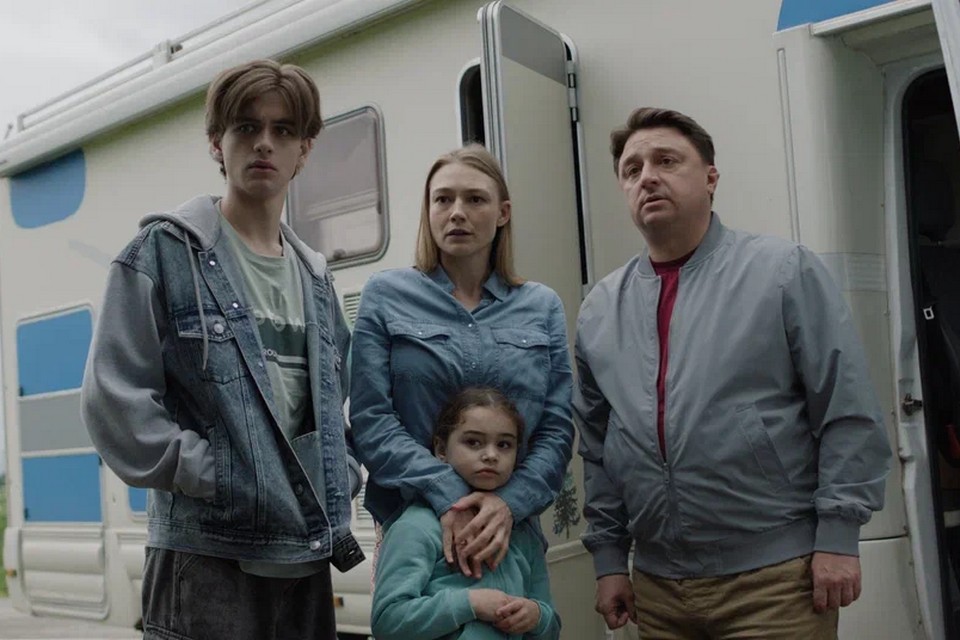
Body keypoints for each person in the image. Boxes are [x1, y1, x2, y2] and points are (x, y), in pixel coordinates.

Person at [573, 107, 892, 639]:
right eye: (632, 169)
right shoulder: (599, 309)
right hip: (657, 588)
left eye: (667, 161)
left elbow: (847, 408)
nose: (647, 177)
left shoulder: (782, 271)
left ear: (711, 178)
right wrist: (609, 560)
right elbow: (599, 448)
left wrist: (839, 536)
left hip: (774, 581)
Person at [80, 59, 363, 640]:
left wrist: (343, 474)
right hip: (205, 558)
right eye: (246, 127)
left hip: (305, 558)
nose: (264, 143)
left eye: (284, 130)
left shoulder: (316, 279)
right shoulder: (161, 254)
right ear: (217, 141)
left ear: (305, 150)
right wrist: (215, 474)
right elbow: (113, 401)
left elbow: (340, 407)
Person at [350, 144, 574, 577]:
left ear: (503, 213)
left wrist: (507, 503)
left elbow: (556, 427)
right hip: (413, 532)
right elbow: (370, 417)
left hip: (510, 533)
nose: (456, 213)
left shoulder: (541, 306)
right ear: (428, 210)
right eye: (443, 199)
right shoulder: (386, 295)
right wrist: (449, 493)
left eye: (474, 199)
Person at [371, 387, 561, 640]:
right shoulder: (417, 527)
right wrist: (470, 604)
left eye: (504, 444)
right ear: (441, 449)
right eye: (473, 442)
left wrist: (536, 616)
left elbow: (551, 627)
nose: (491, 455)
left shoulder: (524, 532)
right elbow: (387, 620)